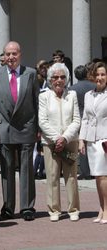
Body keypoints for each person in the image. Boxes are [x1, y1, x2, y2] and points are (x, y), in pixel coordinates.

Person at [0, 41, 39, 221]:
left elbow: (36, 101)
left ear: (20, 55)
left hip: (26, 126)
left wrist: (37, 127)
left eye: (14, 54)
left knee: (26, 169)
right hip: (4, 128)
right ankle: (8, 207)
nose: (11, 57)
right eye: (8, 54)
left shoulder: (31, 73)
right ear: (4, 56)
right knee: (6, 169)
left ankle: (27, 207)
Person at [39, 62, 81, 222]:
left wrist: (65, 138)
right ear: (50, 79)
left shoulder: (72, 95)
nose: (59, 80)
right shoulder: (44, 96)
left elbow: (76, 120)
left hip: (70, 141)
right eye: (55, 77)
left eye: (62, 77)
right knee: (52, 176)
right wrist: (57, 138)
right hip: (50, 143)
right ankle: (54, 210)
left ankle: (74, 209)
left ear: (67, 79)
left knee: (71, 177)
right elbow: (42, 121)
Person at [79, 61, 107, 224]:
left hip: (105, 139)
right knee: (97, 176)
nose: (100, 77)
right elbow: (85, 119)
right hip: (91, 139)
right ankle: (101, 208)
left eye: (103, 74)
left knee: (104, 176)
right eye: (97, 74)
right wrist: (81, 139)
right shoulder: (88, 94)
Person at [69, 65, 95, 180]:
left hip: (78, 118)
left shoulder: (72, 89)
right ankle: (95, 169)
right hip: (93, 117)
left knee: (82, 145)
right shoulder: (94, 86)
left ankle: (85, 171)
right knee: (93, 144)